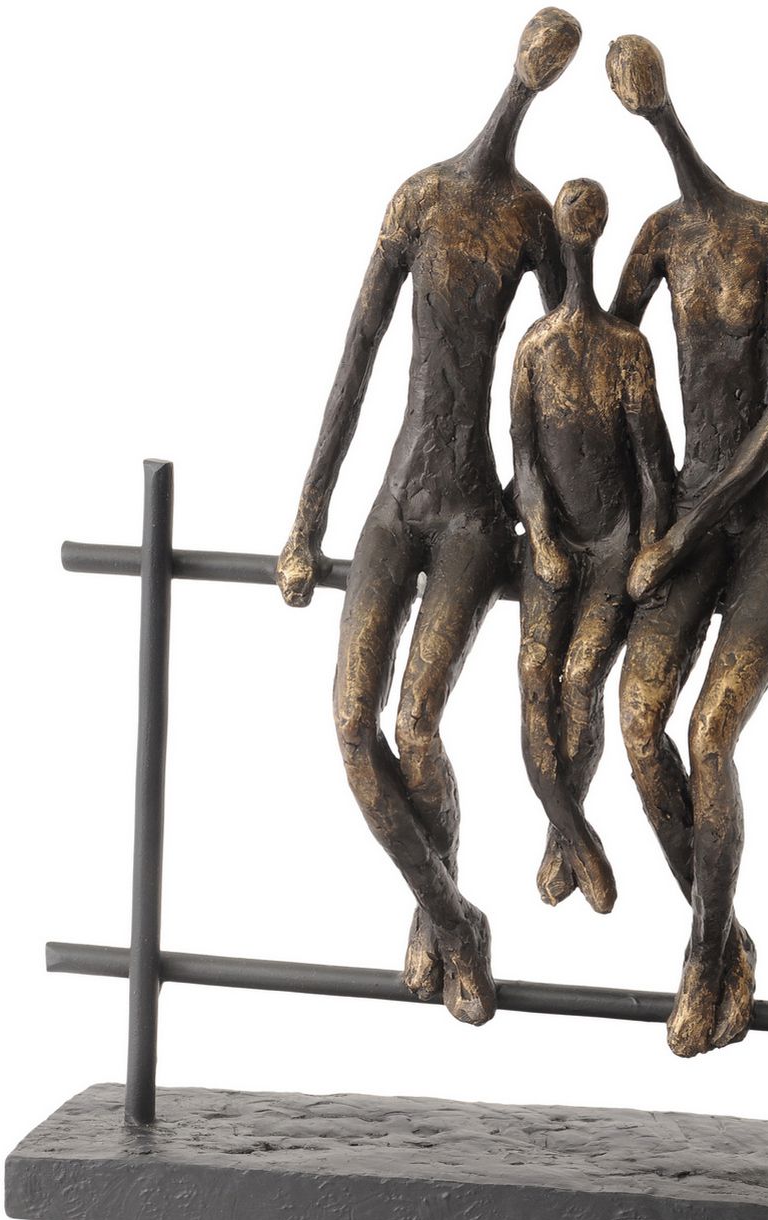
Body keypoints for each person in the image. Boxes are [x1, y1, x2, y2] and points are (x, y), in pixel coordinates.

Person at [276, 10, 581, 1027]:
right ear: (523, 58)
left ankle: (440, 918)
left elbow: (554, 379)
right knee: (349, 727)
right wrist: (306, 519)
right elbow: (355, 358)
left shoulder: (533, 220)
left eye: (555, 59)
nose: (542, 64)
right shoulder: (421, 197)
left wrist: (552, 519)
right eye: (539, 52)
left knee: (415, 726)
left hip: (471, 516)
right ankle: (455, 918)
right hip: (396, 501)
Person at [606, 35, 768, 1056]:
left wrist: (682, 529)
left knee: (708, 737)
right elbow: (610, 352)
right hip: (688, 517)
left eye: (642, 92)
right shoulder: (655, 236)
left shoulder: (766, 232)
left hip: (766, 525)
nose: (638, 101)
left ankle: (701, 961)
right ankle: (722, 936)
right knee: (635, 722)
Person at [509, 178, 673, 915]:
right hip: (555, 543)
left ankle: (559, 834)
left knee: (580, 681)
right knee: (533, 677)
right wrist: (541, 537)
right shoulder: (534, 348)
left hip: (610, 546)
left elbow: (653, 463)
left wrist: (648, 549)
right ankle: (575, 833)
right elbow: (523, 460)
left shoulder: (626, 350)